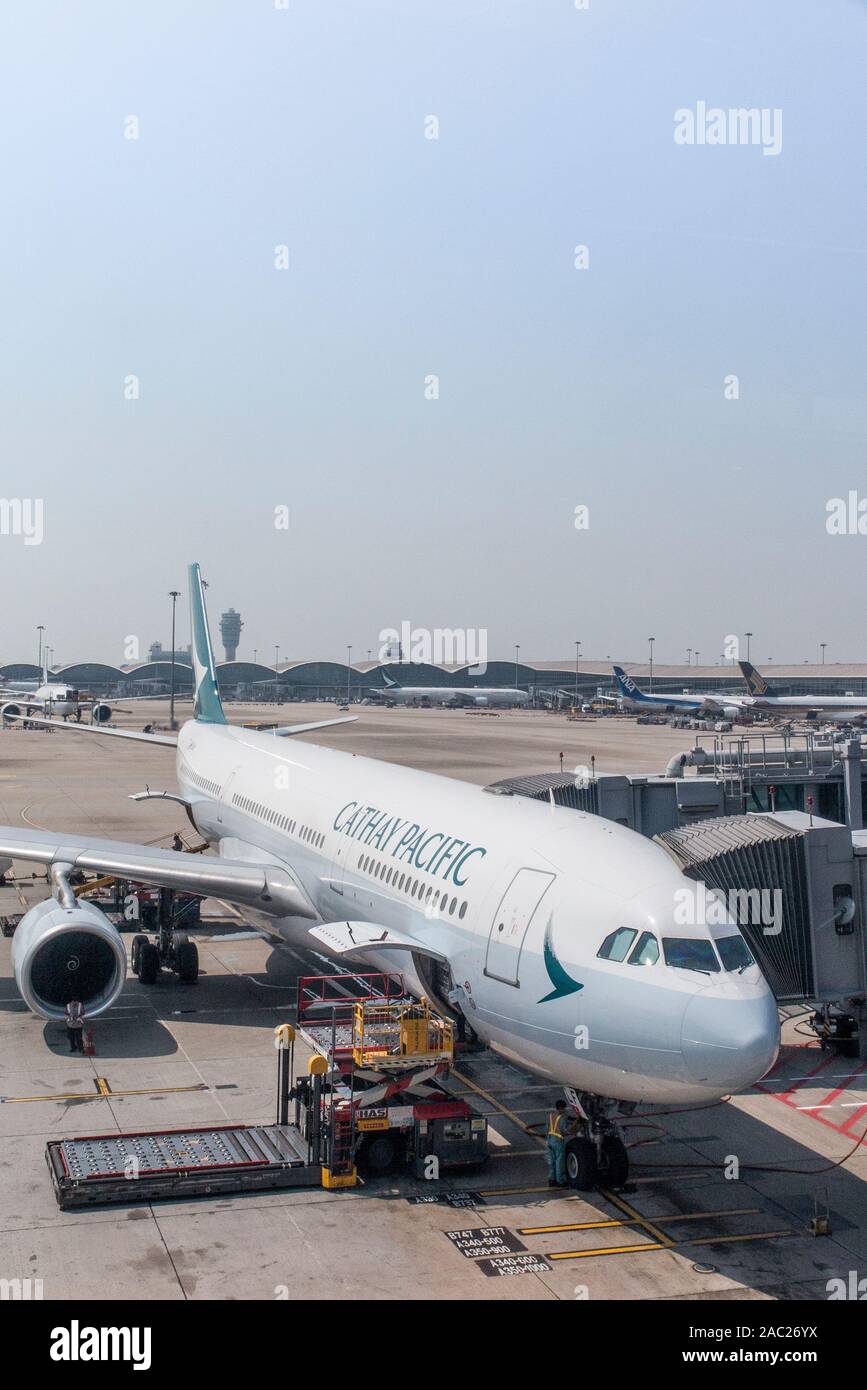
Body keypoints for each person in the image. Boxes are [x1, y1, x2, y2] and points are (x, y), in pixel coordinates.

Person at [546, 1099, 576, 1187]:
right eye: (564, 1109)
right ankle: (560, 1181)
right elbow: (565, 1131)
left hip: (550, 1140)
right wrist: (574, 1127)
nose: (565, 1110)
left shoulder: (550, 1116)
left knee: (552, 1161)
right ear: (561, 1108)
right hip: (558, 1142)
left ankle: (551, 1180)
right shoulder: (562, 1118)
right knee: (559, 1162)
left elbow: (547, 1128)